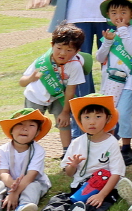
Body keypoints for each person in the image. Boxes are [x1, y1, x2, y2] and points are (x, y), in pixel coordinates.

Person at [13, 95, 125, 211]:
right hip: (79, 188)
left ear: (107, 118)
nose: (92, 122)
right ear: (80, 120)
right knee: (58, 200)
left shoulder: (111, 142)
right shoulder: (77, 143)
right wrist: (73, 165)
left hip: (103, 187)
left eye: (98, 117)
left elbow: (116, 172)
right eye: (87, 117)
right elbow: (69, 173)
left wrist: (101, 195)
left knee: (95, 204)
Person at [95, 0, 132, 164]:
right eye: (114, 12)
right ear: (108, 14)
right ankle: (108, 145)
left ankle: (126, 146)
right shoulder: (108, 33)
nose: (118, 16)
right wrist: (108, 41)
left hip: (128, 82)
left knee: (123, 114)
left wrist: (123, 31)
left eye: (123, 12)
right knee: (108, 114)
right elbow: (99, 58)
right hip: (108, 81)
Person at [19, 23, 86, 151]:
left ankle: (67, 151)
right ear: (52, 45)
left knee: (64, 123)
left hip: (59, 97)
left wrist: (66, 112)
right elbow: (22, 82)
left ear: (77, 51)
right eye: (59, 47)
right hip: (35, 96)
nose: (62, 53)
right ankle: (26, 150)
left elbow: (71, 90)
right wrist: (30, 79)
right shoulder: (43, 62)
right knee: (30, 124)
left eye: (69, 50)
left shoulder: (75, 65)